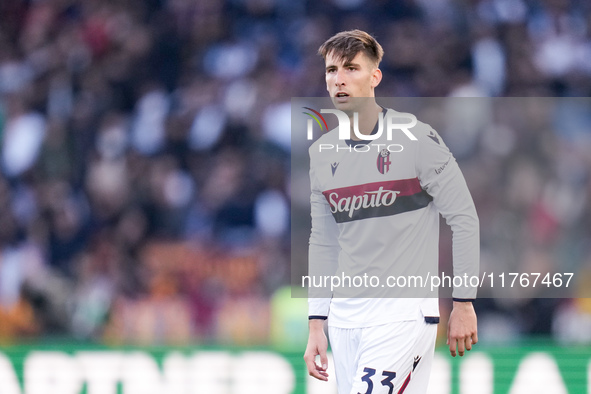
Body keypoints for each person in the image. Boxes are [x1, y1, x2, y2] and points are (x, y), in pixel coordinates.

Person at [303, 30, 479, 394]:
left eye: (351, 68)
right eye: (332, 70)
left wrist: (463, 303)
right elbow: (323, 242)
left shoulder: (417, 138)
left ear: (375, 76)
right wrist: (316, 323)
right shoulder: (321, 153)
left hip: (402, 316)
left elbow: (463, 218)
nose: (339, 79)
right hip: (344, 320)